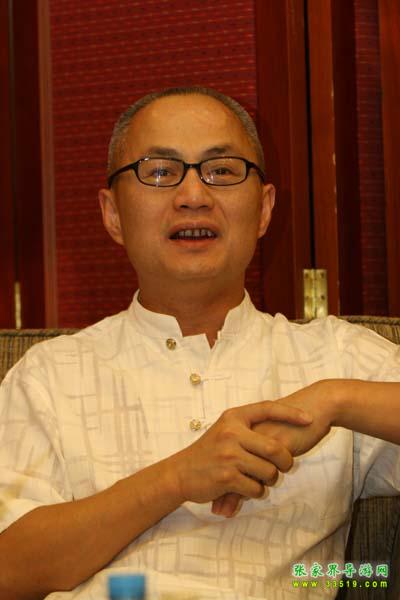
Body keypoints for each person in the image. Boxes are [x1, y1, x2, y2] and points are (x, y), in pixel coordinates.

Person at [0, 86, 399, 600]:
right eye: (159, 172)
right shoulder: (48, 375)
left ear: (264, 209)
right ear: (113, 214)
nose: (193, 195)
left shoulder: (336, 356)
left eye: (222, 170)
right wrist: (176, 478)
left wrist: (335, 399)